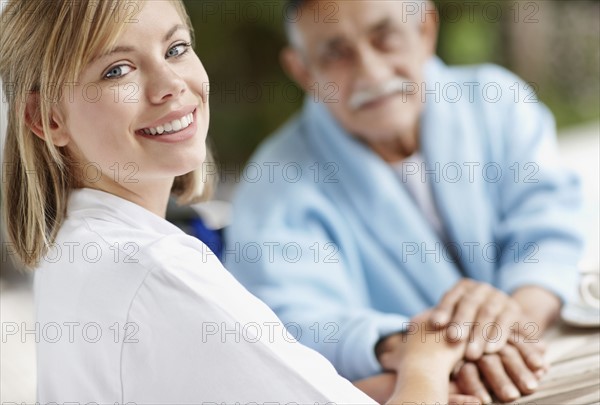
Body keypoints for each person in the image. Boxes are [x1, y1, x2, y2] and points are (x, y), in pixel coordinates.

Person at [0, 0, 483, 403]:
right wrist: (426, 358)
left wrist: (374, 388)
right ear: (46, 119)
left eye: (176, 48)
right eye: (117, 69)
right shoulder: (161, 271)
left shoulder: (74, 246)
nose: (170, 84)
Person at [225, 0, 584, 402]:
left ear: (425, 30)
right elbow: (292, 322)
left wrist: (511, 320)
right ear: (303, 72)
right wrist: (417, 349)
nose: (371, 72)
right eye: (335, 54)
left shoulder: (497, 100)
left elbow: (551, 227)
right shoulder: (274, 182)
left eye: (386, 38)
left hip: (536, 357)